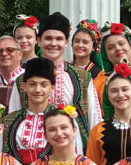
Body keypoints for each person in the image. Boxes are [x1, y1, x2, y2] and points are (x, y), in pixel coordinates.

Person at [37, 12, 102, 150]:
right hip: (34, 148)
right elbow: (16, 116)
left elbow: (94, 119)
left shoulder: (82, 77)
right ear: (38, 40)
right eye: (48, 38)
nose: (53, 43)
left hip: (73, 149)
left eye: (59, 39)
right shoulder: (23, 78)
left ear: (66, 42)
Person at [3, 57, 80, 164]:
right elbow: (1, 156)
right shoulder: (9, 120)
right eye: (32, 84)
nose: (37, 90)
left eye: (43, 85)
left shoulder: (64, 119)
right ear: (24, 86)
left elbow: (76, 155)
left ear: (52, 87)